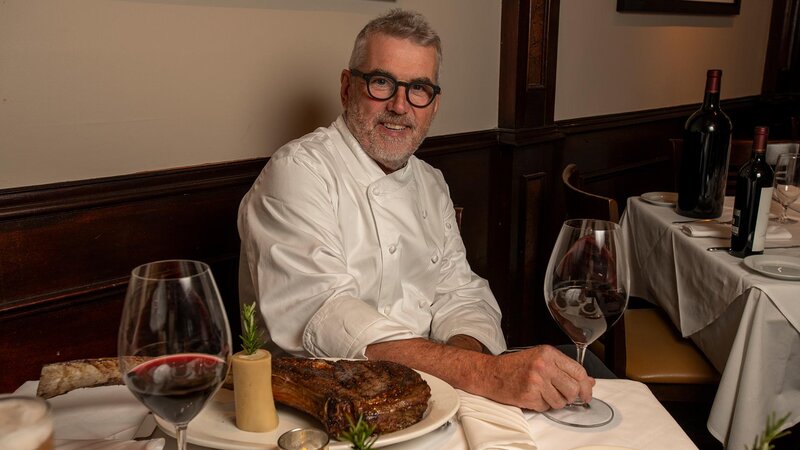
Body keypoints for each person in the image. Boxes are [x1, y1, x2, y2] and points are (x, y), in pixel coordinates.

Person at [238, 8, 598, 412]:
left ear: (434, 104)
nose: (399, 105)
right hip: (324, 412)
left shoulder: (430, 182)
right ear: (346, 87)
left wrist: (463, 368)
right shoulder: (297, 172)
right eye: (381, 82)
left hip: (433, 397)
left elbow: (462, 294)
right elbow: (323, 314)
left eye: (419, 89)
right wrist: (480, 374)